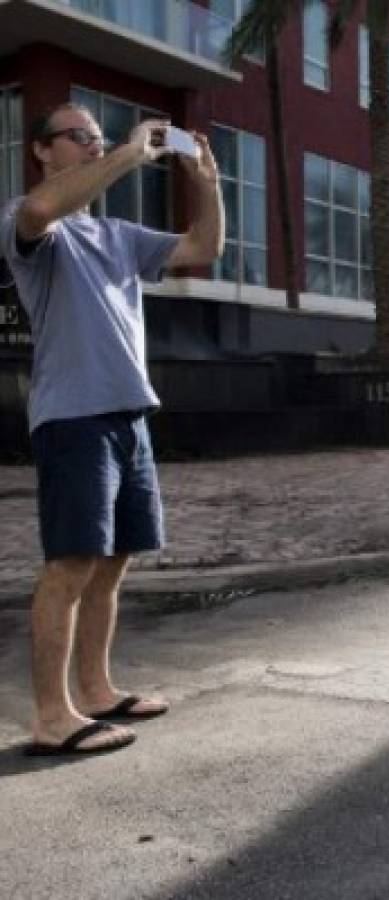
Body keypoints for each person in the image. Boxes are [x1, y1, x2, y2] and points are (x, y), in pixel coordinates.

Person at [0, 103, 223, 755]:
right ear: (42, 150)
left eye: (100, 137)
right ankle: (51, 716)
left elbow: (202, 248)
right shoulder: (29, 219)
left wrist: (206, 183)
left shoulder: (120, 236)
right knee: (70, 564)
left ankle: (95, 691)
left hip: (129, 415)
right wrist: (127, 154)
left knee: (112, 562)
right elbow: (42, 214)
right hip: (73, 415)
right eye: (81, 136)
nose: (94, 145)